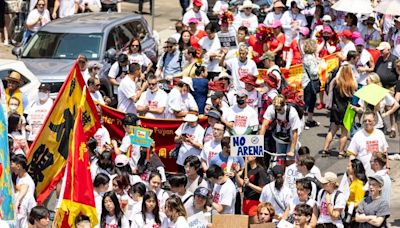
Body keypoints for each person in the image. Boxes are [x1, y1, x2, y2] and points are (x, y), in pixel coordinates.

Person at [322, 63, 357, 158]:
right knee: (344, 132)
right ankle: (341, 152)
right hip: (348, 109)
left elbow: (328, 90)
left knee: (332, 130)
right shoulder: (352, 83)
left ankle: (325, 149)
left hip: (336, 108)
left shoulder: (336, 81)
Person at [347, 111, 389, 176]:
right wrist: (351, 171)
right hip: (362, 174)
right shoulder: (357, 135)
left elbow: (385, 152)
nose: (367, 123)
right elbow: (352, 155)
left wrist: (387, 167)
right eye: (365, 121)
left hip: (379, 173)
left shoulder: (380, 134)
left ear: (374, 122)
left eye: (369, 121)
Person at [374, 41, 399, 138]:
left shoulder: (394, 59)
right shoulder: (380, 59)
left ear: (388, 49)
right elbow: (375, 69)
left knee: (390, 107)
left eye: (382, 50)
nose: (380, 51)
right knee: (380, 107)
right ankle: (383, 125)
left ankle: (393, 128)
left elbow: (398, 72)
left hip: (390, 87)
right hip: (380, 86)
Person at [236, 156, 269, 222]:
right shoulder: (246, 168)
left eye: (249, 154)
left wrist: (249, 184)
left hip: (255, 203)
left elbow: (262, 190)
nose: (246, 156)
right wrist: (236, 174)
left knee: (253, 225)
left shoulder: (260, 170)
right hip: (246, 201)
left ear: (254, 157)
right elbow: (241, 184)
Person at [11, 154, 37, 228]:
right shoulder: (18, 177)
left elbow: (30, 204)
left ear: (18, 166)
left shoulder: (29, 182)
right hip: (17, 215)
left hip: (23, 219)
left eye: (11, 164)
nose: (10, 167)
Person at [302, 39, 321, 129]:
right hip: (309, 82)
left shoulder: (308, 56)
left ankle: (309, 120)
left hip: (308, 82)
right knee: (307, 102)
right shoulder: (309, 58)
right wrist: (320, 65)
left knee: (312, 101)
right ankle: (301, 121)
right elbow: (313, 72)